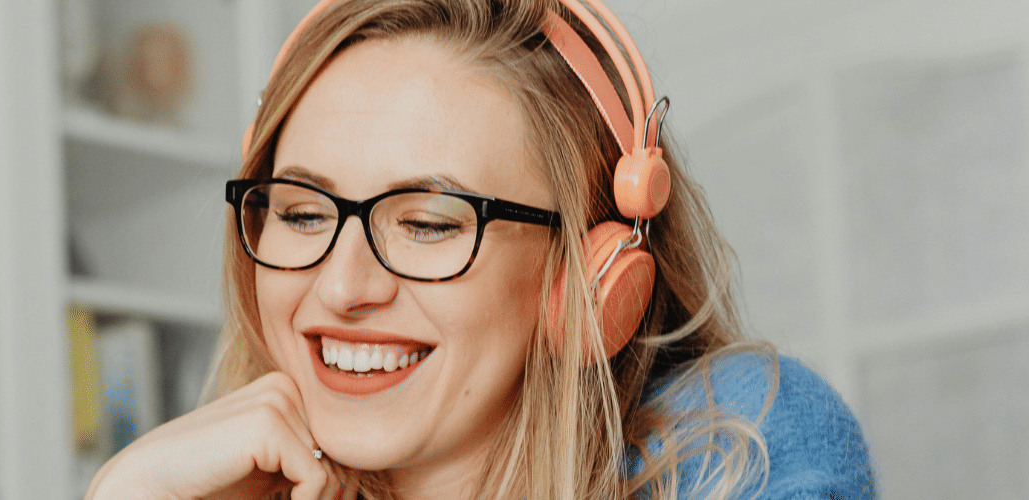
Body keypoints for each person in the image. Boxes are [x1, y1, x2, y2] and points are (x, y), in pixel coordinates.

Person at [82, 0, 876, 499]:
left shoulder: (740, 437)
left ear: (589, 279)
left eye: (428, 224)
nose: (341, 285)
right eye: (301, 212)